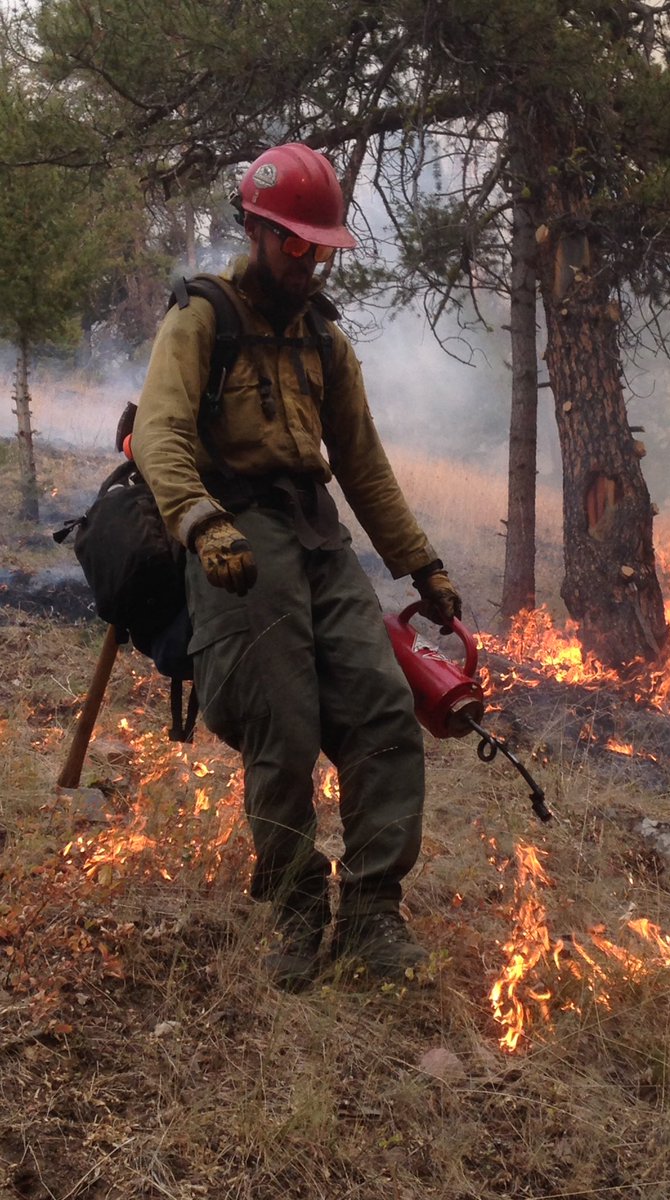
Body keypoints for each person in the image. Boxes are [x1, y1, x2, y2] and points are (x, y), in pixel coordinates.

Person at [132, 142, 461, 991]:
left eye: (321, 248)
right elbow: (162, 433)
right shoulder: (201, 317)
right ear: (256, 229)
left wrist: (421, 567)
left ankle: (372, 915)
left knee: (384, 711)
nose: (309, 263)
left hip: (316, 534)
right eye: (296, 246)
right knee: (281, 721)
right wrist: (203, 525)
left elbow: (363, 464)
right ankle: (295, 912)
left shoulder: (324, 339)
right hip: (235, 535)